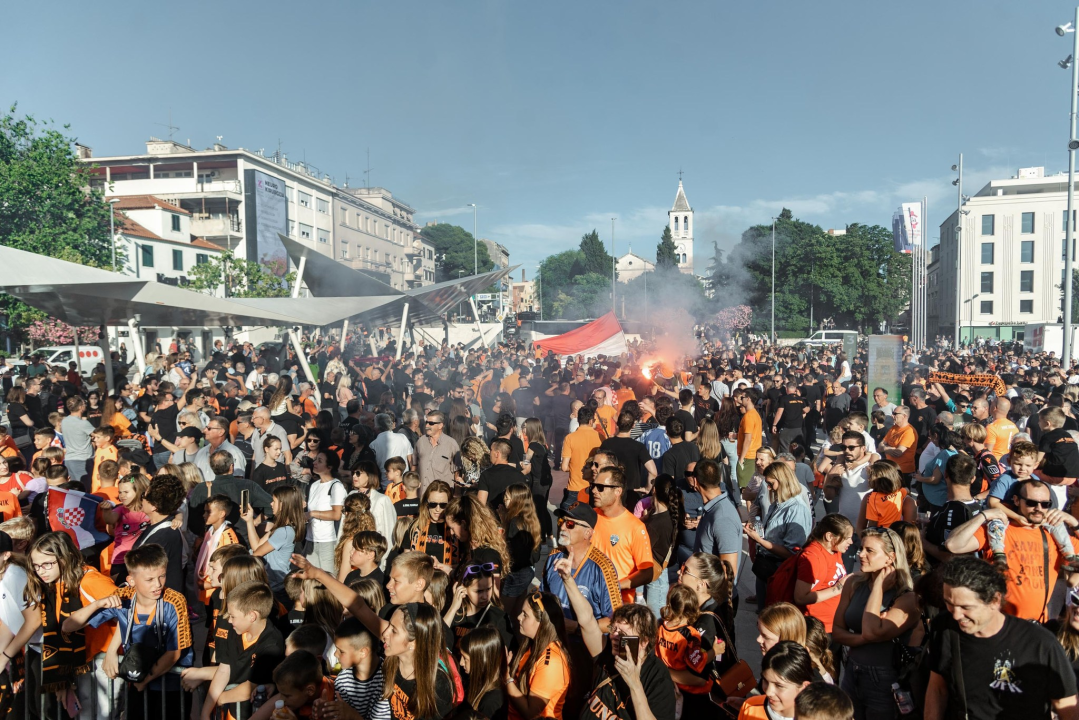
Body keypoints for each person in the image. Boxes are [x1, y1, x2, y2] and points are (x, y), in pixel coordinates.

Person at [925, 556, 1079, 720]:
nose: (956, 615)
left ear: (995, 600)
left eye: (966, 607)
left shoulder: (1040, 643)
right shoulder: (944, 627)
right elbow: (938, 688)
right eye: (949, 603)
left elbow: (1067, 708)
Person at [65, 544, 193, 720]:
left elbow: (174, 653)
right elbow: (68, 626)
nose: (158, 584)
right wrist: (97, 604)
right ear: (131, 581)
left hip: (171, 686)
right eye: (149, 580)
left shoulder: (174, 601)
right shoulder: (123, 596)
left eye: (162, 576)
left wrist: (144, 680)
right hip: (138, 683)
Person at [946, 478, 1079, 621]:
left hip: (1036, 626)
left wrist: (1075, 524)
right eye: (1031, 503)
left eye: (1045, 504)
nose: (1038, 509)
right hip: (998, 624)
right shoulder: (999, 531)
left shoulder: (1055, 536)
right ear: (1016, 500)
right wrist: (984, 515)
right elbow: (953, 545)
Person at [557, 564, 676, 720]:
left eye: (623, 634)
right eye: (614, 629)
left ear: (644, 642)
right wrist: (567, 579)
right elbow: (587, 621)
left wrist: (634, 683)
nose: (614, 637)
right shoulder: (609, 651)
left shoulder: (658, 678)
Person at [26, 531, 119, 720]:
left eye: (46, 564)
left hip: (103, 660)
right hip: (81, 664)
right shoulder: (53, 585)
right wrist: (62, 681)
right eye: (36, 566)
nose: (41, 571)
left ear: (65, 557)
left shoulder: (91, 580)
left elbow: (127, 616)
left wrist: (112, 653)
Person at [832, 527, 920, 720]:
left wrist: (879, 587)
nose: (861, 554)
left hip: (884, 679)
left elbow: (873, 633)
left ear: (890, 558)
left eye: (869, 551)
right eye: (862, 548)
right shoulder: (853, 583)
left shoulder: (906, 597)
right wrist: (865, 638)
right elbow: (837, 632)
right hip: (851, 671)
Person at [541, 500, 621, 633]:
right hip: (554, 642)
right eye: (562, 521)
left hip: (587, 648)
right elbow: (542, 598)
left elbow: (615, 622)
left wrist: (577, 628)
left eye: (570, 524)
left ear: (587, 533)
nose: (563, 528)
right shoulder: (553, 557)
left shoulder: (603, 567)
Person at [744, 462, 813, 606]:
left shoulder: (796, 509)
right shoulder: (778, 504)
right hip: (766, 569)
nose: (768, 487)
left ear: (782, 480)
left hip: (780, 572)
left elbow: (792, 552)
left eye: (770, 483)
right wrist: (758, 529)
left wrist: (760, 541)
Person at [590, 466, 653, 604]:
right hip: (588, 598)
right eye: (593, 486)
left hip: (617, 605)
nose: (594, 491)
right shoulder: (590, 517)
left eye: (600, 487)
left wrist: (615, 586)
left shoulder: (635, 527)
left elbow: (647, 573)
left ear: (618, 491)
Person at [507, 591, 569, 719]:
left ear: (542, 623)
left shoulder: (552, 662)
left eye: (525, 615)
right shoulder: (533, 644)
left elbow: (531, 713)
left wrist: (506, 678)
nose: (519, 617)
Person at [242, 484, 307, 599]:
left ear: (282, 505)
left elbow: (257, 553)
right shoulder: (281, 528)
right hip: (275, 585)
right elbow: (257, 546)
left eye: (274, 501)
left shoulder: (284, 531)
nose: (271, 504)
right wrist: (249, 521)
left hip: (277, 588)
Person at [793, 514, 853, 632]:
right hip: (817, 628)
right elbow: (800, 598)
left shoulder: (834, 551)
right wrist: (839, 588)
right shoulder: (812, 558)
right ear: (830, 536)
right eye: (847, 538)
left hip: (833, 624)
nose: (851, 542)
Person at [330, 617, 392, 720]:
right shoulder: (342, 680)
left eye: (341, 651)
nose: (335, 654)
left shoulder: (387, 678)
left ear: (363, 652)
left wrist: (352, 715)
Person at [737, 641, 814, 720]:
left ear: (804, 688)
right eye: (765, 681)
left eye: (779, 685)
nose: (768, 692)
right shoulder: (750, 707)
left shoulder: (819, 716)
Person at [600, 410, 657, 506]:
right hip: (631, 494)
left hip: (610, 492)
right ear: (633, 426)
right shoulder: (639, 446)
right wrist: (647, 488)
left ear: (617, 424)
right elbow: (653, 472)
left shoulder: (606, 444)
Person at [306, 450, 347, 572]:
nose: (315, 463)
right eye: (315, 460)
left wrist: (312, 514)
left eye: (320, 461)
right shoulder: (314, 485)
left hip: (328, 541)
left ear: (329, 467)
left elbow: (336, 514)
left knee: (327, 579)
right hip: (311, 539)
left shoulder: (336, 486)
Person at [457, 626, 508, 719]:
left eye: (465, 658)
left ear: (482, 660)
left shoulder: (490, 702)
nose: (461, 663)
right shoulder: (478, 683)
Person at [857, 460, 916, 532]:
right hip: (896, 535)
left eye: (870, 476)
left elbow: (872, 524)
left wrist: (870, 536)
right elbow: (906, 491)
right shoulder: (899, 492)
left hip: (881, 533)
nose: (868, 479)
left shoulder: (872, 498)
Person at [561, 406, 601, 502]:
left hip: (575, 487)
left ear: (578, 420)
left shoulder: (570, 438)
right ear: (591, 421)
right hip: (594, 486)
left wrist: (575, 467)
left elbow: (564, 467)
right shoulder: (600, 437)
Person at [475, 439, 527, 512]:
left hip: (493, 519)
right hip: (513, 519)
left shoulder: (486, 475)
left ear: (497, 454)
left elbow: (480, 505)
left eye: (491, 450)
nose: (489, 453)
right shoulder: (520, 476)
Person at [415, 411, 462, 493]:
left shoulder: (451, 444)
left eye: (431, 423)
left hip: (442, 498)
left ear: (440, 425)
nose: (427, 426)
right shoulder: (421, 442)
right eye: (426, 422)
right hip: (422, 496)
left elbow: (457, 472)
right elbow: (414, 466)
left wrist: (456, 495)